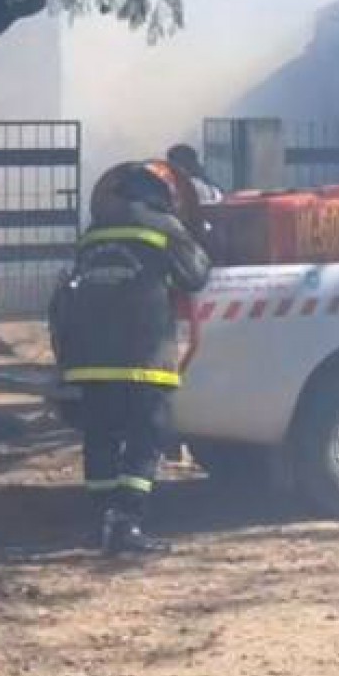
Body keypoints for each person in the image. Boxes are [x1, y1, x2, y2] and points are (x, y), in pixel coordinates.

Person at [51, 163, 212, 556]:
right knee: (145, 439)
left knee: (101, 440)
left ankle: (102, 523)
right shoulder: (163, 226)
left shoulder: (93, 234)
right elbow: (196, 275)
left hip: (90, 358)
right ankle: (128, 524)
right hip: (142, 356)